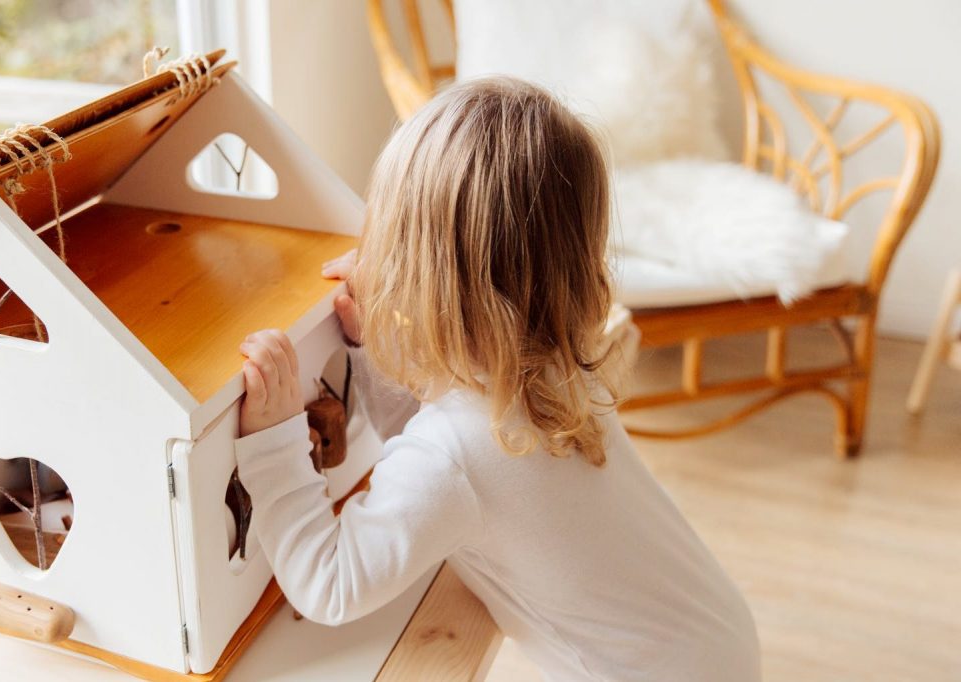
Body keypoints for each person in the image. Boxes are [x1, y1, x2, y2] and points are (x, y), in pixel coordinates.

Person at [234, 77, 760, 681]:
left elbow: (331, 585)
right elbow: (438, 441)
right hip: (711, 641)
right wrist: (371, 350)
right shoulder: (555, 369)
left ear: (423, 276)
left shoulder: (455, 455)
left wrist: (273, 443)